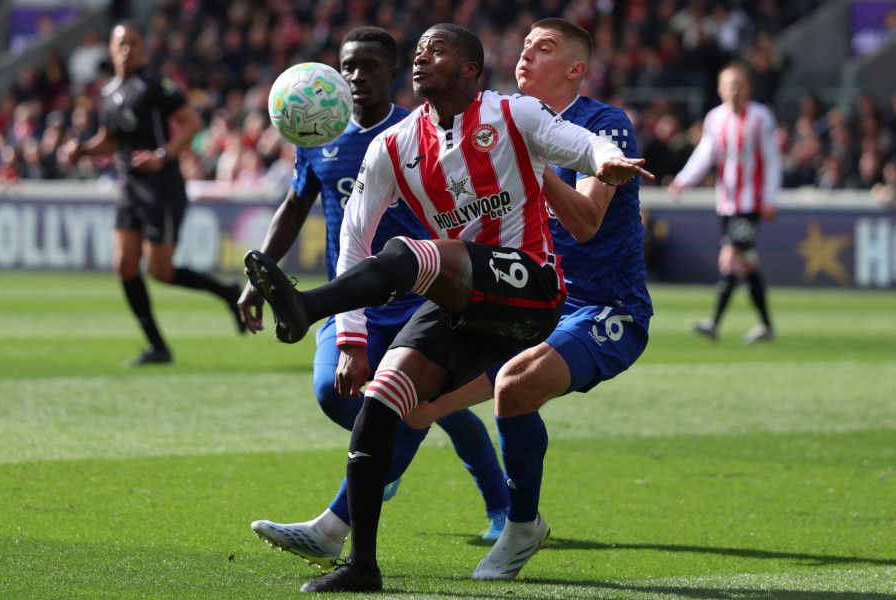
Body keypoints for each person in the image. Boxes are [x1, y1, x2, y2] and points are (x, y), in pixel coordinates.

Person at [244, 23, 652, 593]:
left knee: (417, 256)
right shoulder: (395, 145)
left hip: (533, 289)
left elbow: (585, 149)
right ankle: (360, 562)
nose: (419, 58)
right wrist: (354, 340)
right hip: (470, 302)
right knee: (388, 402)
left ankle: (306, 307)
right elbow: (354, 241)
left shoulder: (515, 115)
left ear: (468, 71)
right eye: (417, 51)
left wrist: (606, 160)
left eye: (435, 50)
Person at [237, 27, 510, 559]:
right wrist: (257, 275)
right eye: (348, 66)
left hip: (418, 299)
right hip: (353, 299)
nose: (357, 76)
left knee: (426, 409)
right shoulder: (317, 135)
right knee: (333, 393)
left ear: (392, 73)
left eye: (368, 66)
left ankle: (497, 509)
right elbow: (296, 205)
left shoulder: (418, 131)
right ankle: (385, 457)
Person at [60, 20, 243, 366]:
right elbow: (110, 139)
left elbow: (192, 122)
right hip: (129, 187)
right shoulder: (109, 91)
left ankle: (228, 292)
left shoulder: (154, 83)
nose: (127, 49)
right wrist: (81, 151)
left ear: (143, 48)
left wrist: (162, 156)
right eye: (121, 44)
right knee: (124, 264)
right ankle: (157, 345)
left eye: (133, 43)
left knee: (160, 270)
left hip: (162, 187)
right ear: (110, 50)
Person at [670, 61, 781, 344]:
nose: (734, 90)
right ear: (720, 89)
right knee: (746, 263)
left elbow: (771, 160)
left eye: (739, 84)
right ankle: (766, 326)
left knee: (730, 257)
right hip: (727, 204)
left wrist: (769, 198)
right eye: (729, 84)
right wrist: (684, 179)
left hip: (751, 204)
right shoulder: (715, 119)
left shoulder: (760, 117)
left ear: (748, 88)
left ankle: (714, 323)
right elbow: (705, 154)